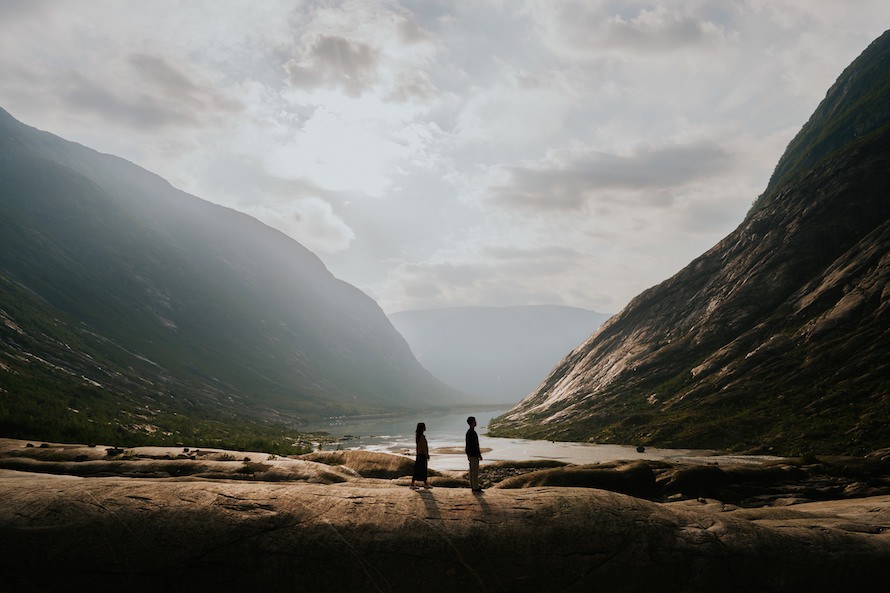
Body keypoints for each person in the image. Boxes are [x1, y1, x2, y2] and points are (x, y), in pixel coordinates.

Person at [410, 422, 430, 488]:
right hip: (422, 455)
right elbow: (424, 447)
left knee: (418, 470)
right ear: (422, 428)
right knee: (423, 470)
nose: (425, 428)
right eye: (424, 427)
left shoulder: (418, 436)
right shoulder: (421, 437)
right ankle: (424, 484)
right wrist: (427, 455)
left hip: (419, 455)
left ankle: (423, 483)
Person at [465, 416, 483, 492]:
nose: (476, 422)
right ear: (472, 422)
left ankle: (473, 486)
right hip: (473, 454)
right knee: (475, 471)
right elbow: (475, 445)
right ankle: (475, 487)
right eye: (475, 421)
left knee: (472, 471)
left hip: (470, 454)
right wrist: (478, 454)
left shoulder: (469, 432)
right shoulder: (472, 432)